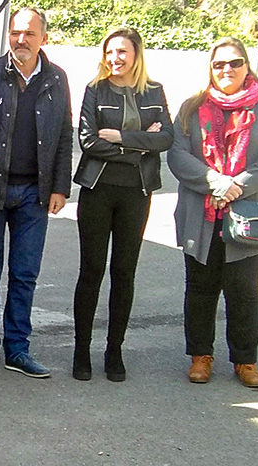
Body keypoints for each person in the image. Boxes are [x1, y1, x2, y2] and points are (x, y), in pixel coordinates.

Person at [168, 37, 258, 388]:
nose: (227, 70)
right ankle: (200, 356)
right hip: (201, 214)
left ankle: (245, 361)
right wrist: (215, 182)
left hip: (249, 213)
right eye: (220, 64)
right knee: (200, 288)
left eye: (235, 63)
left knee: (245, 290)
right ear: (210, 68)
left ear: (247, 66)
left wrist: (237, 185)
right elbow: (177, 155)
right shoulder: (191, 108)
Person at [0, 7, 72, 379]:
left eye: (30, 34)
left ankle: (18, 348)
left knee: (24, 274)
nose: (21, 40)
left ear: (43, 38)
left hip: (35, 195)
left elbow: (64, 137)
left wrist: (60, 186)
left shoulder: (57, 79)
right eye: (15, 32)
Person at [71, 27, 173, 382]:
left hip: (136, 193)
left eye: (122, 52)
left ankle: (114, 352)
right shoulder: (94, 90)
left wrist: (122, 138)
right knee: (92, 272)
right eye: (110, 52)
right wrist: (138, 148)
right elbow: (87, 141)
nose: (115, 59)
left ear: (136, 55)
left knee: (124, 273)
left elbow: (166, 138)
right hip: (98, 189)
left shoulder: (154, 92)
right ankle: (81, 351)